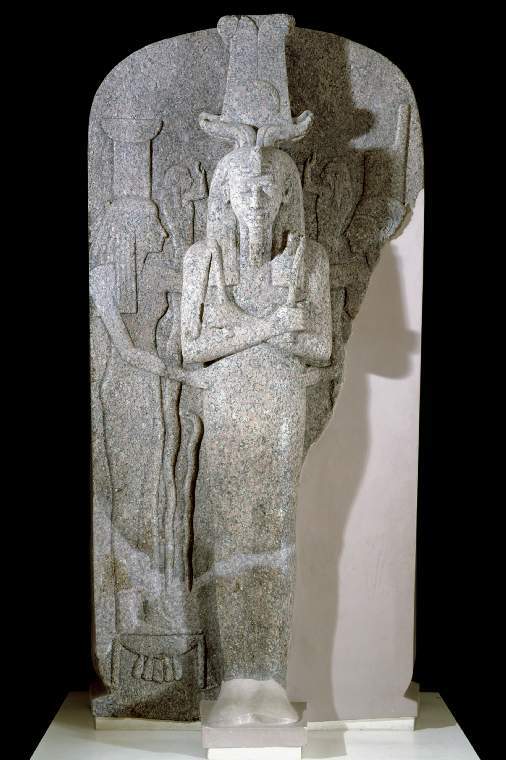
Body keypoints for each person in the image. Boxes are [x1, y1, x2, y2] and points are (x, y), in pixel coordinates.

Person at [180, 145, 332, 724]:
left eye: (269, 187)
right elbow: (191, 347)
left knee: (276, 529)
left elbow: (319, 346)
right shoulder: (205, 259)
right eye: (244, 187)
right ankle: (236, 678)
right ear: (225, 195)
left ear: (287, 194)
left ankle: (269, 677)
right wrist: (270, 326)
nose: (257, 198)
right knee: (232, 530)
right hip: (227, 402)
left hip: (283, 402)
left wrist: (257, 332)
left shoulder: (308, 258)